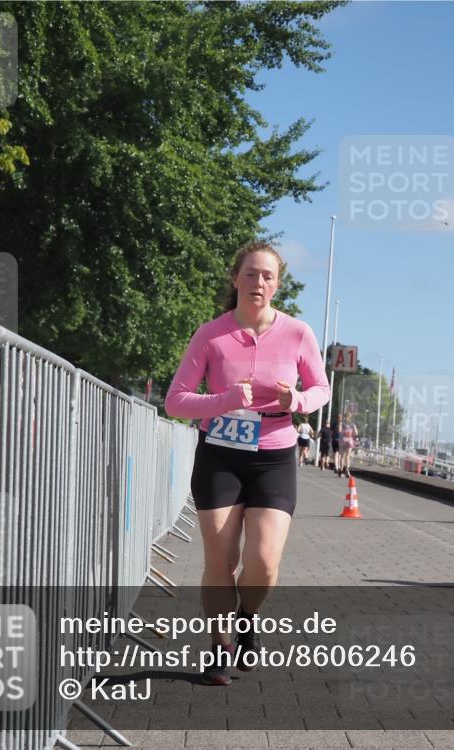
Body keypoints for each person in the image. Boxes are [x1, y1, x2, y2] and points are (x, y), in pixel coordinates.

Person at [165, 242, 330, 685]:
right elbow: (175, 401)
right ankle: (220, 647)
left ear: (278, 285)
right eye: (251, 274)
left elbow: (321, 389)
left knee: (264, 563)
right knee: (220, 561)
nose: (259, 282)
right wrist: (224, 399)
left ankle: (247, 617)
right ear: (235, 278)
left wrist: (296, 400)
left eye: (268, 276)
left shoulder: (298, 333)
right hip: (219, 454)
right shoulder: (210, 334)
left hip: (274, 454)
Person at [336, 414, 358, 478]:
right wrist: (351, 433)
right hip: (349, 440)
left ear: (345, 417)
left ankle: (341, 470)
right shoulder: (352, 424)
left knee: (342, 456)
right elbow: (356, 433)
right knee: (348, 456)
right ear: (350, 417)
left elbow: (339, 431)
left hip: (343, 440)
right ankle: (347, 470)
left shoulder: (342, 423)